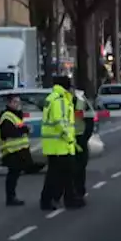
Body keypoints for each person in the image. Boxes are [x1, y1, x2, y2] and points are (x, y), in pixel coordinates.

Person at [38, 75, 80, 211]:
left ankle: (68, 198)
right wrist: (69, 138)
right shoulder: (59, 100)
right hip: (60, 144)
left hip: (56, 144)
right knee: (58, 175)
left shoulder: (53, 98)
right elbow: (59, 121)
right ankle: (50, 200)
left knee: (63, 174)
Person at [0, 93, 33, 206]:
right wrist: (24, 130)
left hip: (17, 150)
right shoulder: (7, 117)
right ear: (9, 103)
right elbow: (8, 132)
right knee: (12, 175)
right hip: (11, 151)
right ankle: (10, 198)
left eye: (19, 102)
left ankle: (12, 197)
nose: (18, 104)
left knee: (15, 175)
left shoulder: (15, 115)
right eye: (15, 102)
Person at [70, 86, 95, 206]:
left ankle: (78, 192)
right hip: (71, 138)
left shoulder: (79, 99)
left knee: (79, 167)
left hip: (78, 137)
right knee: (74, 168)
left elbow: (89, 118)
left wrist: (85, 137)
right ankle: (74, 193)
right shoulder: (64, 99)